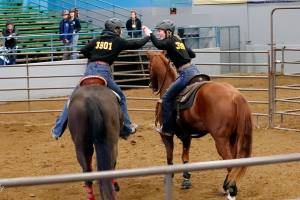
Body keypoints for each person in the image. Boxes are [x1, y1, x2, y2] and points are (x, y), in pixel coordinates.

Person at [51, 18, 150, 140]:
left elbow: (83, 50)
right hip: (103, 72)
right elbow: (136, 44)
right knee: (121, 97)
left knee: (72, 99)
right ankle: (127, 126)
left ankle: (57, 130)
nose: (121, 31)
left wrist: (93, 57)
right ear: (115, 29)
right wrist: (148, 36)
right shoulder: (117, 41)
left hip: (89, 70)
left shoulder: (97, 39)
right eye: (119, 28)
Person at [143, 20, 200, 135]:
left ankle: (167, 128)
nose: (158, 33)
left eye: (160, 31)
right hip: (195, 71)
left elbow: (159, 44)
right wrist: (178, 51)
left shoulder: (169, 42)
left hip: (185, 73)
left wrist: (150, 34)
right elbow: (192, 54)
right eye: (157, 32)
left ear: (168, 32)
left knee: (167, 98)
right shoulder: (178, 41)